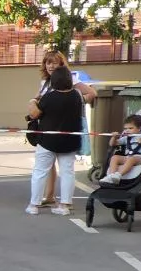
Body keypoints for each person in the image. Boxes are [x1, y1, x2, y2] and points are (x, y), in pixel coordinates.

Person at [33, 50, 97, 208]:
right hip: (48, 127)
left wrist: (78, 102)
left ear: (61, 64)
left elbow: (92, 93)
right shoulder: (44, 83)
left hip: (66, 127)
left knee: (61, 167)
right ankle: (49, 195)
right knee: (49, 166)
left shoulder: (71, 80)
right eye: (48, 62)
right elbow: (38, 99)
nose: (51, 66)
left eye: (54, 62)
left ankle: (48, 200)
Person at [26, 66, 84, 216]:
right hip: (70, 141)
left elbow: (35, 114)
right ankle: (64, 205)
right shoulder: (76, 96)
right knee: (67, 172)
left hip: (47, 140)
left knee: (40, 172)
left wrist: (32, 100)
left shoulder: (49, 97)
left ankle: (34, 205)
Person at [100, 115, 141, 185]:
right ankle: (111, 176)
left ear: (139, 128)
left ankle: (118, 175)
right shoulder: (126, 138)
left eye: (130, 128)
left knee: (131, 159)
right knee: (114, 157)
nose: (127, 130)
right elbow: (112, 144)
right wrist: (114, 137)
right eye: (125, 128)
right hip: (128, 157)